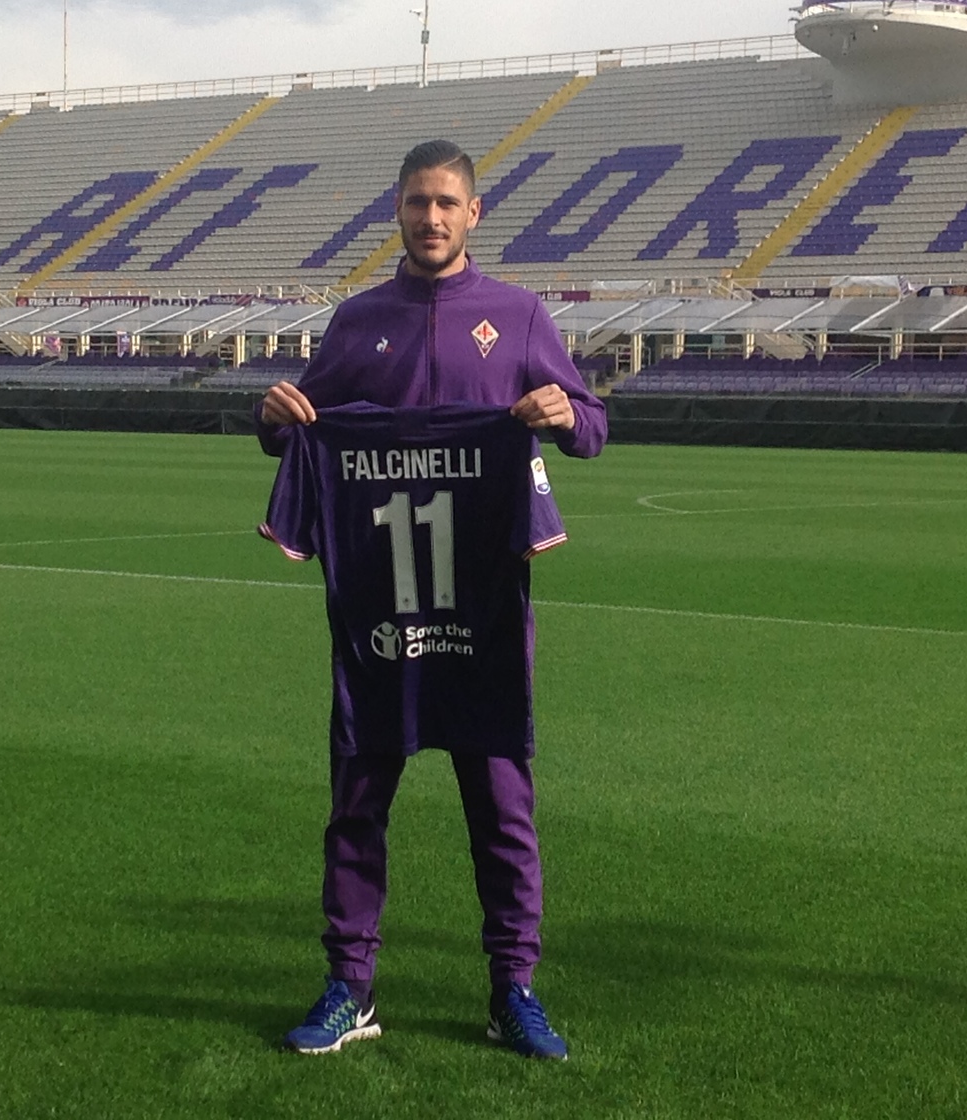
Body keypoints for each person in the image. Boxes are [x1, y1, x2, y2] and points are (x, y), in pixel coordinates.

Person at [257, 139, 607, 1060]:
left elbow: (594, 426)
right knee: (358, 801)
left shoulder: (518, 315)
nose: (432, 218)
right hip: (379, 615)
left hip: (484, 616)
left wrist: (567, 415)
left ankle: (513, 988)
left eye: (447, 203)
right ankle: (350, 986)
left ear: (474, 213)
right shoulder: (358, 321)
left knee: (502, 809)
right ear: (398, 211)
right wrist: (272, 418)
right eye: (418, 202)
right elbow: (302, 425)